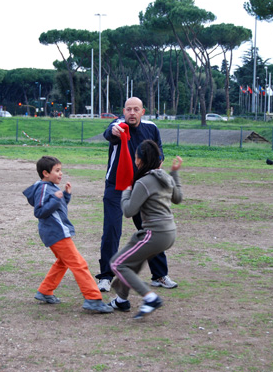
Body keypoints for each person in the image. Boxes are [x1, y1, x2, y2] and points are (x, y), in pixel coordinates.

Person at [96, 97, 177, 292]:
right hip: (116, 187)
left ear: (142, 111)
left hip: (142, 186)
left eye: (136, 109)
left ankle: (159, 275)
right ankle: (106, 276)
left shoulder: (151, 128)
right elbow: (110, 133)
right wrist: (114, 131)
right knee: (112, 230)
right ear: (123, 111)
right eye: (128, 109)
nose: (132, 113)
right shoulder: (118, 125)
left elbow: (159, 155)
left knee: (151, 230)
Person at [23, 156, 113, 313]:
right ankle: (93, 299)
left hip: (56, 232)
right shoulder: (44, 188)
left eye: (60, 170)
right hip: (56, 233)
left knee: (63, 262)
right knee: (79, 264)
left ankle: (45, 291)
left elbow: (58, 208)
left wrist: (65, 195)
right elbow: (39, 212)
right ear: (45, 173)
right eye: (57, 171)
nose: (61, 173)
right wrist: (55, 200)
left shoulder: (50, 186)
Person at [108, 140, 183, 319]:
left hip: (155, 233)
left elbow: (128, 211)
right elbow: (178, 198)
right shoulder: (165, 177)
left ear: (140, 160)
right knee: (132, 260)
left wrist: (126, 191)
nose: (135, 161)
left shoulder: (143, 182)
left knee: (117, 263)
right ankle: (121, 300)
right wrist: (175, 174)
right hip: (169, 232)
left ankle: (150, 298)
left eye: (136, 158)